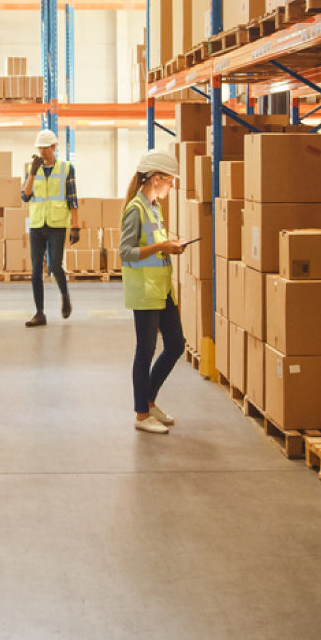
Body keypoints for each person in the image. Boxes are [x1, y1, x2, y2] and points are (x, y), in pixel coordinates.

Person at [120, 149, 187, 434]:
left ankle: (149, 400)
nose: (172, 186)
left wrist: (169, 244)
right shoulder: (135, 209)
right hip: (144, 291)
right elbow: (126, 252)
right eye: (170, 181)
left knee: (175, 345)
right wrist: (162, 247)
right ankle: (141, 413)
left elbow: (155, 244)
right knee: (145, 352)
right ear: (157, 178)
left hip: (162, 290)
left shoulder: (154, 206)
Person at [21, 128, 80, 327]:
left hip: (56, 225)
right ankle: (39, 313)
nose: (42, 151)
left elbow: (73, 198)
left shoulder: (66, 168)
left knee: (55, 266)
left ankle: (65, 296)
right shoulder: (32, 167)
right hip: (37, 224)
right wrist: (32, 174)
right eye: (40, 148)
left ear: (54, 147)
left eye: (46, 148)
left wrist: (75, 226)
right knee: (36, 269)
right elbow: (25, 196)